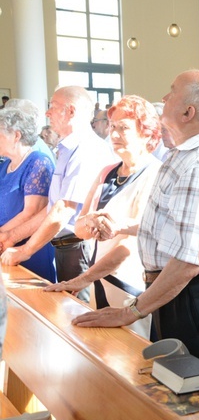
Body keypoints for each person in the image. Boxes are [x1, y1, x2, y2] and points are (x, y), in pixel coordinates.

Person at [70, 70, 199, 374]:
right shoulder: (185, 154)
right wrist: (125, 228)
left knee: (194, 396)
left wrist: (132, 311)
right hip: (171, 291)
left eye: (172, 91)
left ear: (188, 112)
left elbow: (188, 261)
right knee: (170, 387)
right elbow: (176, 229)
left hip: (188, 296)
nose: (164, 98)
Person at [44, 96, 162, 338]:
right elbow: (79, 228)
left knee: (128, 357)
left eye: (124, 128)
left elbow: (131, 244)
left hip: (132, 286)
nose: (114, 134)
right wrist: (92, 223)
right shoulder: (107, 171)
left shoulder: (155, 174)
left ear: (147, 133)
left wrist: (83, 279)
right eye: (113, 127)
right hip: (100, 278)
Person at [1, 86, 114, 294]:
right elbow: (51, 208)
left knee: (77, 314)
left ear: (71, 111)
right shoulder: (67, 149)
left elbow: (64, 210)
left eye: (52, 107)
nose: (47, 113)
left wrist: (25, 250)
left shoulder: (86, 149)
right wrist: (10, 237)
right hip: (64, 247)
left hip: (80, 248)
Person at [0, 107, 56, 281]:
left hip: (27, 249)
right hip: (5, 244)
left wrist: (2, 235)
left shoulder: (38, 162)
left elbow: (32, 212)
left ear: (16, 136)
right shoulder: (5, 165)